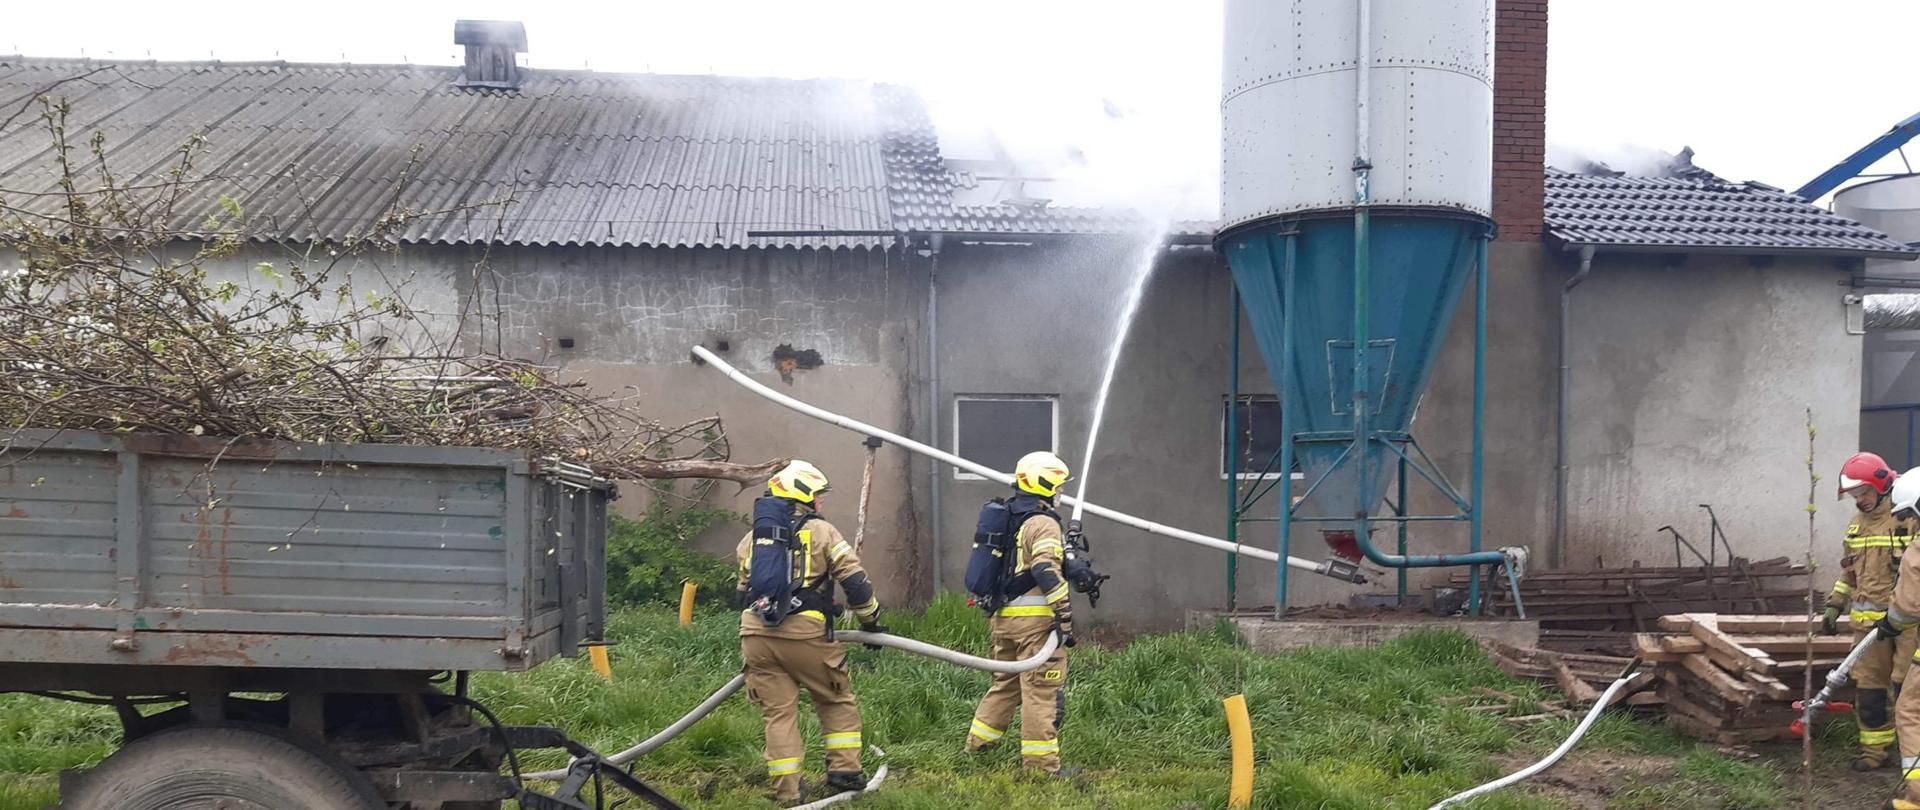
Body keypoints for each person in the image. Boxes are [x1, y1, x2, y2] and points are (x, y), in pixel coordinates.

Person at [734, 460, 885, 804]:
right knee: (835, 699)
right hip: (806, 635)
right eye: (818, 495)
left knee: (778, 713)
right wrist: (871, 621)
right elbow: (856, 584)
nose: (822, 503)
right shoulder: (823, 532)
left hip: (755, 635)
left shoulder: (751, 538)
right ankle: (844, 773)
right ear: (803, 495)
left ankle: (787, 791)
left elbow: (743, 591)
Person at [963, 450, 1078, 775]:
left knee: (1007, 684)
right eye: (1059, 485)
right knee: (1041, 692)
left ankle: (977, 747)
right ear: (1046, 484)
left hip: (1003, 620)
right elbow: (1043, 568)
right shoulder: (1042, 522)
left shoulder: (1010, 517)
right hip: (1034, 626)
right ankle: (1042, 769)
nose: (1061, 492)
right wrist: (1065, 615)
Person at [1823, 452, 1917, 772]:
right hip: (1868, 628)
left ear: (1882, 485)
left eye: (1863, 492)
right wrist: (1835, 604)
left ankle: (1913, 757)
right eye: (1853, 495)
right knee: (1869, 690)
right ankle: (1875, 753)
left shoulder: (1908, 516)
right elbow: (1848, 572)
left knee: (1907, 689)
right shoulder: (1855, 526)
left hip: (1907, 625)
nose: (1858, 500)